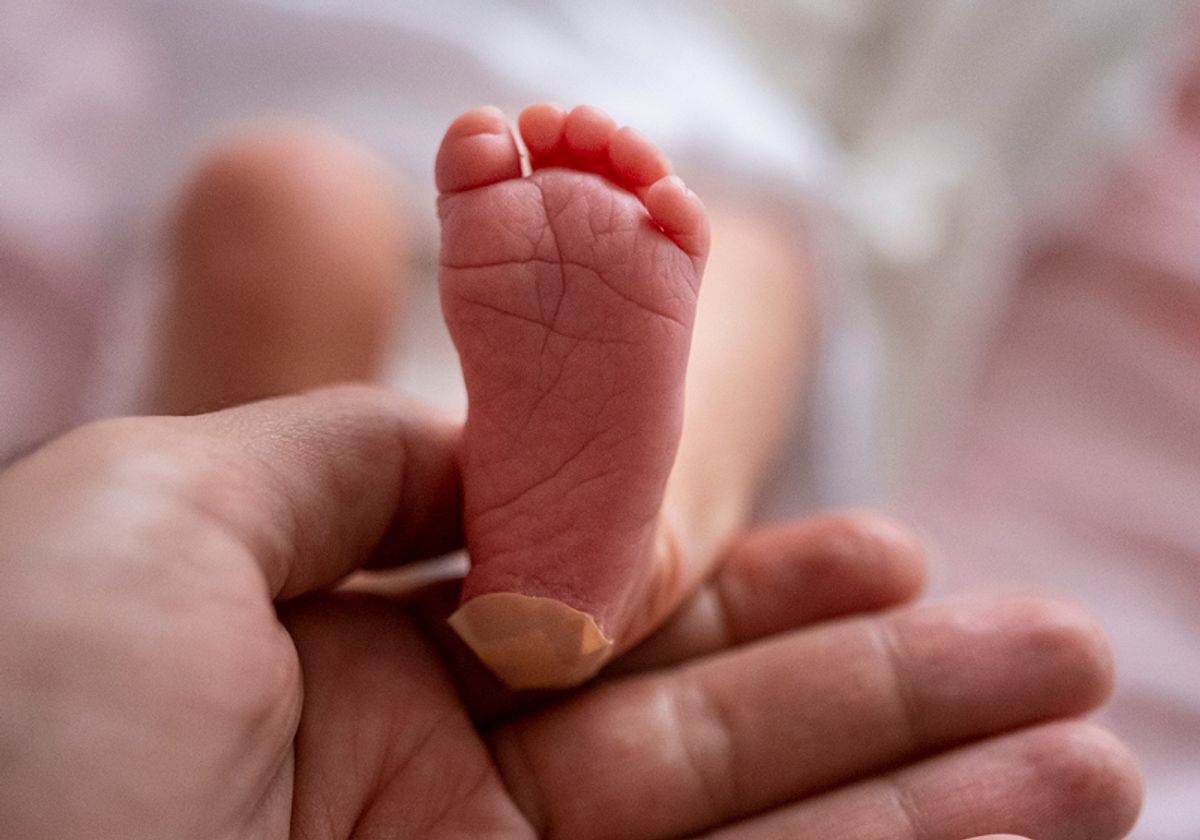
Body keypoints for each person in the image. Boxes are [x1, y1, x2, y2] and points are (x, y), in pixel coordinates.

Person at [1, 102, 1141, 839]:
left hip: (379, 105)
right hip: (654, 124)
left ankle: (321, 612)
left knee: (277, 189)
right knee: (762, 249)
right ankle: (603, 575)